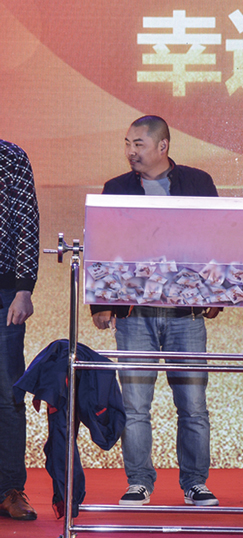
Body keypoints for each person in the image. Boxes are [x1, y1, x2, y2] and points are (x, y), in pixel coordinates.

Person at [91, 116, 221, 507]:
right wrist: (102, 303)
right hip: (135, 315)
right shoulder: (116, 188)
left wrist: (216, 295)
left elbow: (217, 239)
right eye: (127, 143)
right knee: (135, 406)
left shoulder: (197, 183)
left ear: (162, 146)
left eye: (139, 144)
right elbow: (103, 246)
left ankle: (195, 482)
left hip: (186, 315)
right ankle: (138, 481)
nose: (130, 151)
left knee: (193, 406)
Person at [0, 140, 40, 521]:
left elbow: (27, 221)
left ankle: (10, 489)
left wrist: (24, 288)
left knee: (8, 395)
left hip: (4, 294)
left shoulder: (10, 157)